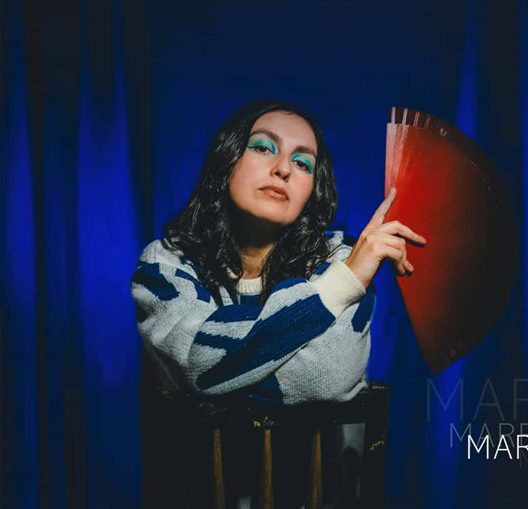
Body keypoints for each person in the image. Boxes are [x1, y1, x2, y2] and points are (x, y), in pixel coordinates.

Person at [130, 99, 425, 508]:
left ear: (312, 189)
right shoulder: (165, 264)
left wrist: (221, 377)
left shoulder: (341, 261)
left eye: (302, 163)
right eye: (263, 147)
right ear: (227, 161)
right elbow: (197, 360)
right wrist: (337, 290)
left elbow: (327, 377)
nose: (283, 168)